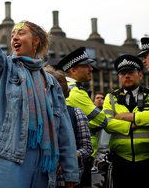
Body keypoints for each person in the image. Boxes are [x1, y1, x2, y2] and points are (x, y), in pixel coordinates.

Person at [0, 0, 79, 188]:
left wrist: (70, 174)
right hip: (11, 157)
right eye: (12, 35)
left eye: (20, 33)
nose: (14, 37)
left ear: (36, 41)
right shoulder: (6, 69)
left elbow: (64, 131)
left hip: (44, 162)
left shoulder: (50, 83)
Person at [57, 47, 107, 187]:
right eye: (86, 66)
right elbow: (103, 121)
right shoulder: (76, 92)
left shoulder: (69, 88)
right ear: (73, 70)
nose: (91, 69)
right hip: (79, 156)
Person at [103, 54, 149, 187]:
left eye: (130, 72)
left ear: (140, 75)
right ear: (119, 77)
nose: (126, 76)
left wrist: (129, 117)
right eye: (123, 73)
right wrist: (130, 126)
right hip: (120, 161)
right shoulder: (111, 98)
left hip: (147, 160)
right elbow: (107, 123)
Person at [44, 66, 93, 188]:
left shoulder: (75, 113)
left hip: (66, 181)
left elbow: (87, 148)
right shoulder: (38, 115)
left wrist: (68, 157)